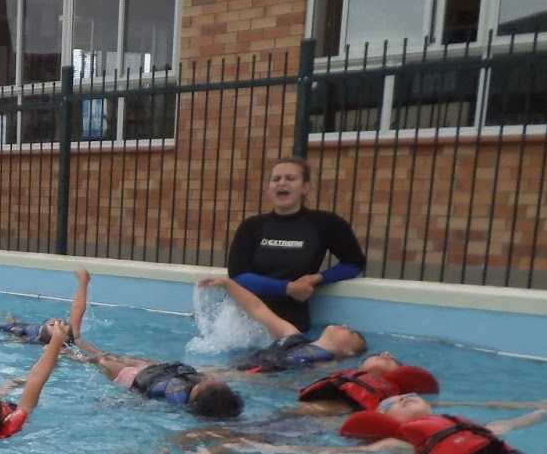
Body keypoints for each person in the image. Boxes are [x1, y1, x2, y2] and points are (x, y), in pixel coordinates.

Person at [185, 393, 547, 454]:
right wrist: (247, 447)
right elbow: (335, 453)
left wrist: (544, 409)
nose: (406, 395)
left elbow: (512, 425)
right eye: (397, 400)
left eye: (410, 395)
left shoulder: (471, 428)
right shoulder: (397, 443)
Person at [59, 269, 245, 420]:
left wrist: (113, 403)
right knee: (114, 356)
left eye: (210, 383)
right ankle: (79, 345)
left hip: (135, 377)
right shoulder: (206, 387)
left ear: (201, 394)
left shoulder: (178, 398)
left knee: (102, 359)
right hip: (156, 369)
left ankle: (77, 356)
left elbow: (145, 404)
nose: (210, 379)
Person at [227, 156, 366, 332]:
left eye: (291, 178)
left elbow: (355, 263)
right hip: (246, 322)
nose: (281, 183)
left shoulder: (326, 223)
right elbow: (238, 275)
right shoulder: (252, 226)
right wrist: (288, 288)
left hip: (291, 324)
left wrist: (317, 278)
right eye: (276, 179)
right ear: (269, 188)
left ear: (305, 187)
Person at [200, 276, 370, 371]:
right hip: (233, 370)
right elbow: (259, 310)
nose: (346, 326)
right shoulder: (292, 335)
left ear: (348, 350)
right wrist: (229, 284)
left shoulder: (327, 366)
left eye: (352, 333)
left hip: (248, 378)